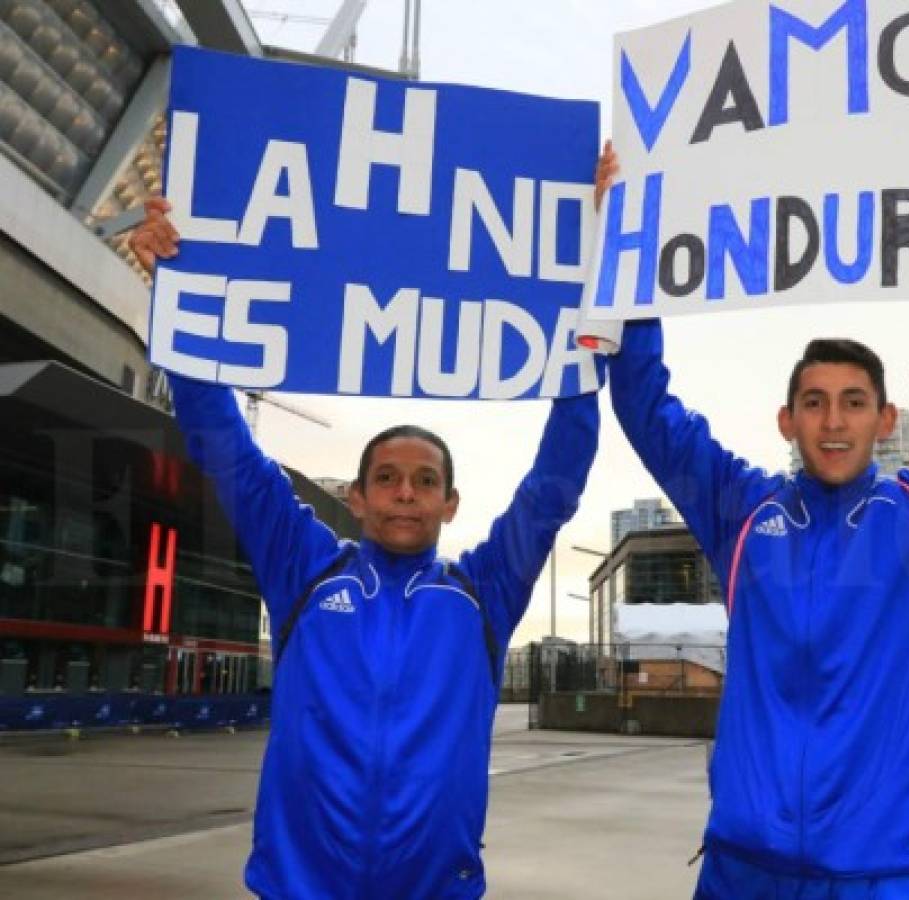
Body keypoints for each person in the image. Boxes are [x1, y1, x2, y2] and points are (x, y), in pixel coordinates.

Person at [595, 99, 909, 899]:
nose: (834, 421)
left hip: (889, 874)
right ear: (787, 419)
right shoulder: (742, 513)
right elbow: (645, 409)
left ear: (884, 418)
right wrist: (625, 262)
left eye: (854, 400)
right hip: (742, 871)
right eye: (816, 402)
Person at [132, 199, 600, 899]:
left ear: (451, 503)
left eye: (424, 481)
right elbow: (224, 445)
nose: (405, 494)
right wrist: (175, 291)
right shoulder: (306, 570)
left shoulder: (482, 593)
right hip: (299, 885)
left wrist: (590, 303)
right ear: (355, 497)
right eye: (386, 479)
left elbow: (553, 485)